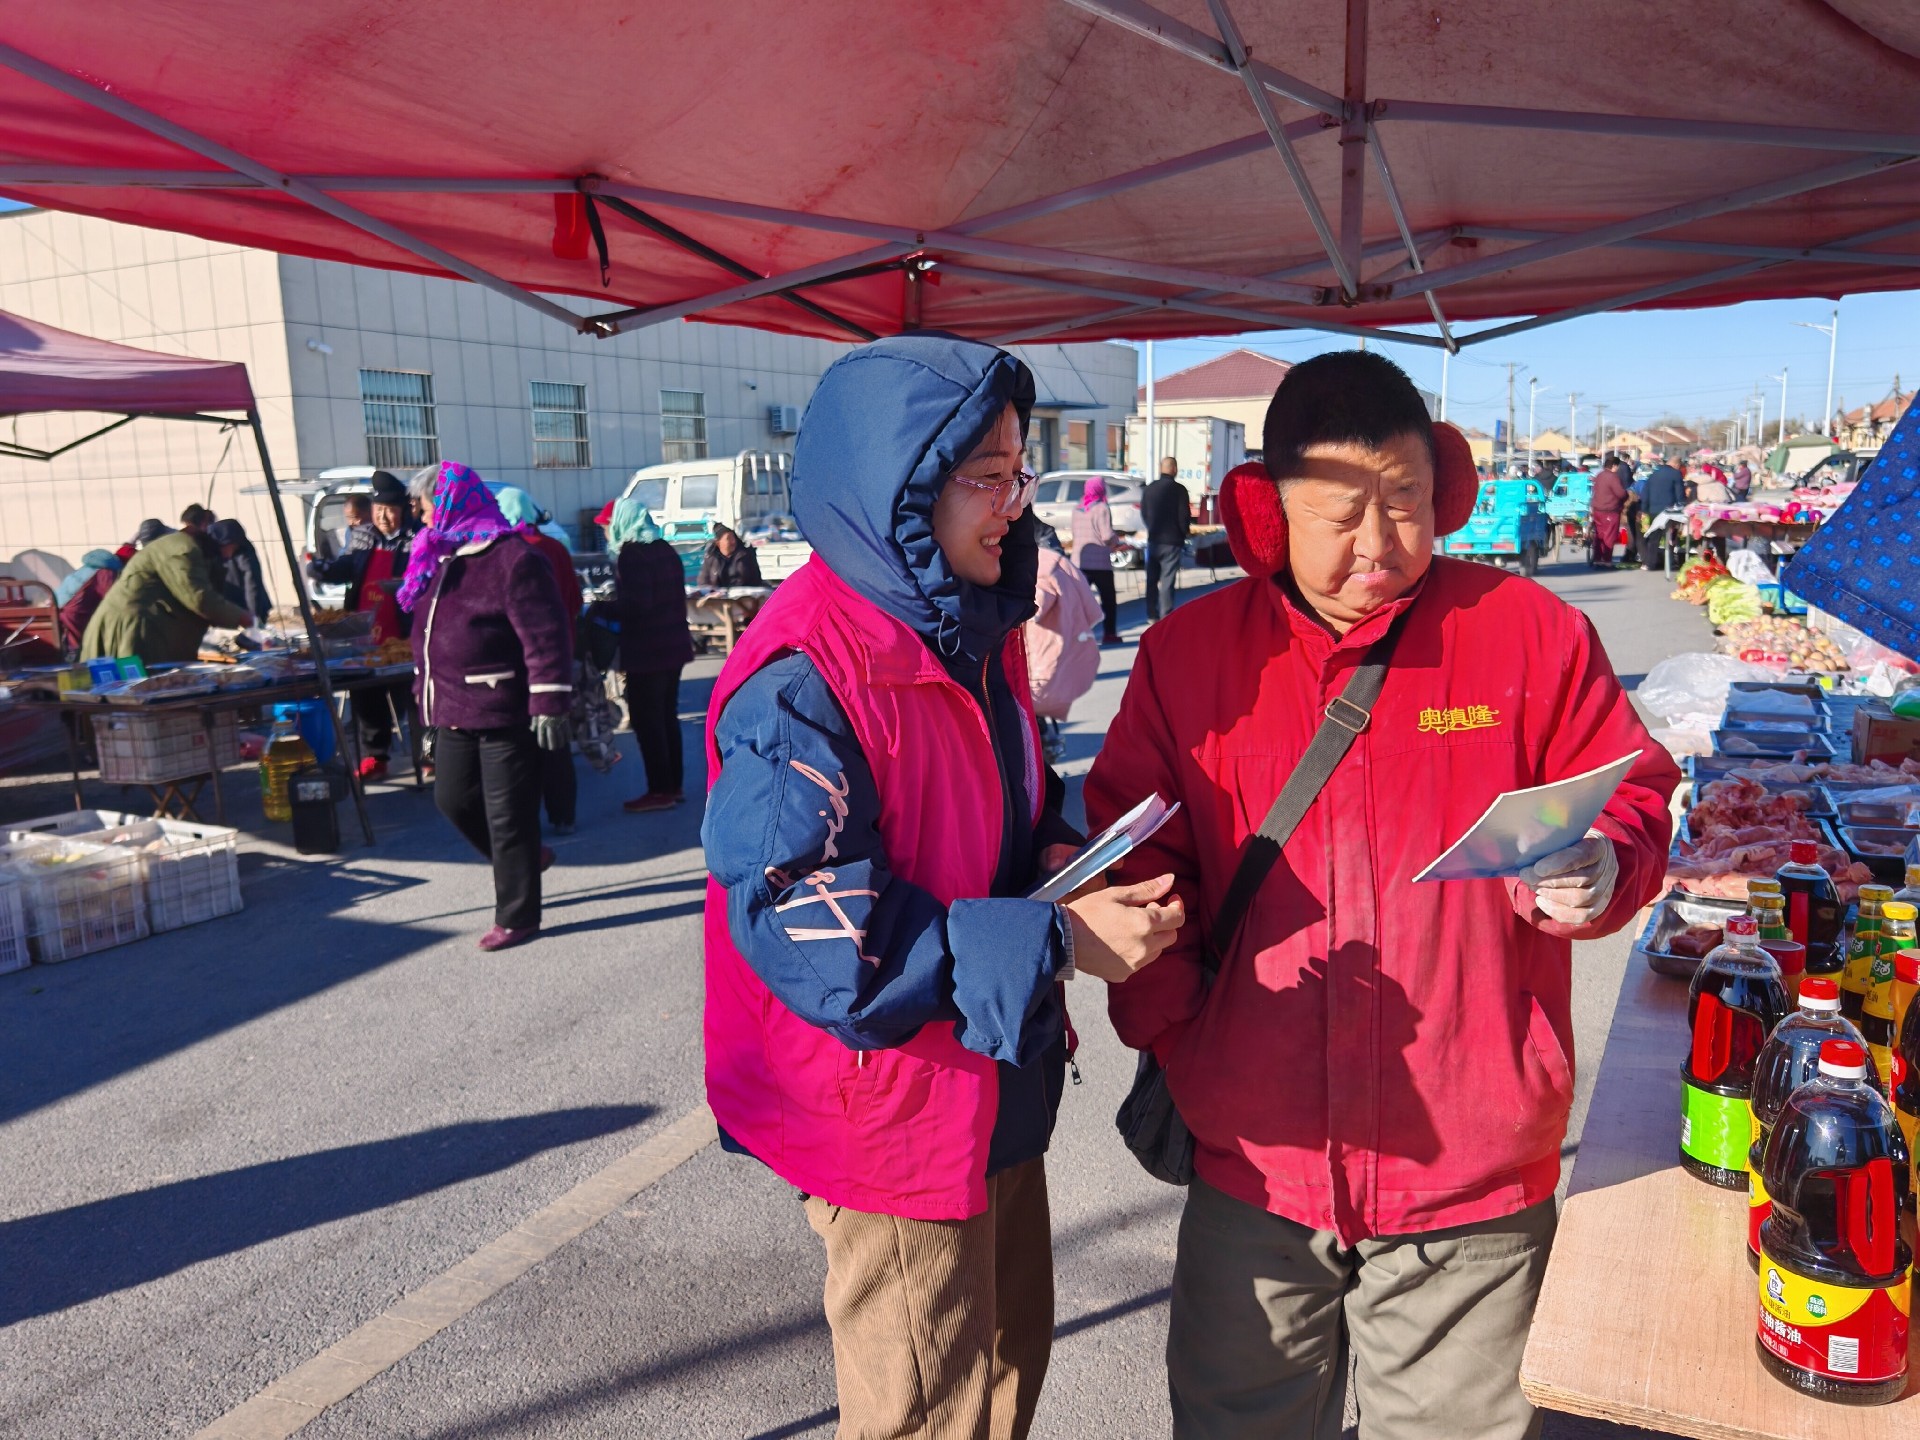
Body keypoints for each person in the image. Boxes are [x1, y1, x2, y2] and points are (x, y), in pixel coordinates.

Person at [1086, 350, 1680, 1440]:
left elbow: (1633, 790)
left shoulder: (1528, 634)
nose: (1377, 542)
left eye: (1405, 500)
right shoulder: (1186, 658)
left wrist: (1603, 860)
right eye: (1337, 512)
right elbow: (1130, 859)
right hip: (1253, 1172)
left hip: (1472, 1177)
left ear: (1442, 487)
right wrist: (1180, 1034)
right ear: (1266, 513)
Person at [702, 334, 1184, 1440]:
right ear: (900, 484)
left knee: (1010, 1366)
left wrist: (1061, 856)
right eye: (987, 477)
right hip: (896, 1113)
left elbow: (1004, 800)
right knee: (930, 1415)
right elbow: (818, 929)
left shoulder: (971, 627)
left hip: (994, 1076)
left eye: (1020, 473)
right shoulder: (802, 679)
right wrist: (1061, 945)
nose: (1016, 503)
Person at [400, 462, 574, 952]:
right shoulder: (442, 556)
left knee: (509, 815)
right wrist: (427, 710)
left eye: (426, 502)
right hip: (451, 707)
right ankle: (523, 858)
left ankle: (517, 915)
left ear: (451, 499)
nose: (422, 512)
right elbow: (427, 645)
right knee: (451, 799)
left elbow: (546, 637)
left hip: (504, 707)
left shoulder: (512, 558)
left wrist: (550, 702)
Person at [309, 471, 419, 780]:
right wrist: (321, 569)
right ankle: (376, 756)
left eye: (391, 510)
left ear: (404, 510)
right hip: (364, 632)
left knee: (415, 699)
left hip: (403, 632)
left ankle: (428, 753)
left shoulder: (417, 538)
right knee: (367, 698)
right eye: (379, 509)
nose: (384, 517)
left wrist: (404, 586)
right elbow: (346, 567)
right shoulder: (362, 536)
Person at [495, 487, 584, 834]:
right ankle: (563, 815)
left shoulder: (507, 554)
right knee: (555, 738)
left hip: (519, 663)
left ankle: (524, 819)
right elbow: (575, 602)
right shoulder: (556, 548)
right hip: (559, 658)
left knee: (522, 744)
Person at [606, 499, 695, 814]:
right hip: (674, 645)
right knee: (667, 718)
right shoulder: (665, 549)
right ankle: (674, 785)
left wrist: (604, 608)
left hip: (648, 650)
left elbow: (637, 604)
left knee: (647, 721)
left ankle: (659, 789)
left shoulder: (632, 554)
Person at [81, 527, 252, 663]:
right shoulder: (183, 550)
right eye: (232, 549)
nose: (230, 556)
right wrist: (245, 619)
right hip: (132, 628)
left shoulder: (180, 547)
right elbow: (199, 598)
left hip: (135, 624)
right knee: (134, 690)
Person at [1026, 535, 1103, 763]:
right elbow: (1090, 607)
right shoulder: (1058, 563)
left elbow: (1036, 608)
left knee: (1031, 706)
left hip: (1039, 645)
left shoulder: (1042, 566)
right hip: (1055, 643)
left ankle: (1039, 764)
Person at [1070, 475, 1123, 644]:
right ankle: (1109, 634)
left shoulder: (1077, 509)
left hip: (1079, 561)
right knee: (1108, 600)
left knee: (1080, 601)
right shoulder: (1102, 508)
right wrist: (1118, 542)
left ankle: (1076, 635)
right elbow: (1106, 535)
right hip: (1100, 562)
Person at [1142, 456, 1192, 621]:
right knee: (1167, 580)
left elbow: (1144, 512)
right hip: (1172, 541)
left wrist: (1151, 527)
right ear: (1174, 469)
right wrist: (1184, 532)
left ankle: (1151, 613)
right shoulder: (1179, 490)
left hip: (1154, 540)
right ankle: (1166, 615)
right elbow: (1183, 515)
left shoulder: (1149, 489)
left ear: (1160, 468)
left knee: (1152, 579)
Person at [55, 549, 124, 657]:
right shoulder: (106, 573)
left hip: (59, 612)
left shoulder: (82, 571)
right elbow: (111, 597)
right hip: (77, 614)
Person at [206, 518, 272, 623]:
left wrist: (253, 615)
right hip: (227, 609)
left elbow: (252, 582)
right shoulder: (211, 553)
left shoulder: (244, 551)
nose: (234, 547)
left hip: (248, 607)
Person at [1588, 454, 1629, 567]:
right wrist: (1626, 495)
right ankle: (1606, 560)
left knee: (1599, 534)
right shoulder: (1613, 477)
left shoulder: (1599, 475)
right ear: (1614, 466)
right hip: (1610, 509)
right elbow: (1621, 493)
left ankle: (1597, 558)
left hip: (1597, 509)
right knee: (1609, 535)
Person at [697, 523, 763, 588]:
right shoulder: (711, 557)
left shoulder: (746, 555)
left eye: (733, 538)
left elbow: (756, 580)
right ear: (718, 543)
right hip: (718, 596)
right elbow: (703, 582)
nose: (733, 542)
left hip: (743, 595)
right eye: (728, 538)